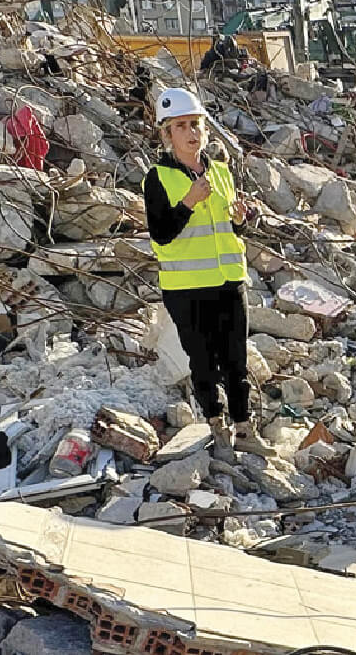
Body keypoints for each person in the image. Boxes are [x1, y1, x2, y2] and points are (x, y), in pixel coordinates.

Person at [143, 88, 273, 460]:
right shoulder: (159, 178)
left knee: (235, 359)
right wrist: (188, 202)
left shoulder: (220, 172)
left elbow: (228, 228)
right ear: (167, 135)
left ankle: (244, 428)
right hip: (186, 287)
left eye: (195, 125)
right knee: (202, 362)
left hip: (229, 280)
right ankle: (217, 426)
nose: (191, 133)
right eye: (181, 126)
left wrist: (241, 218)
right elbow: (162, 235)